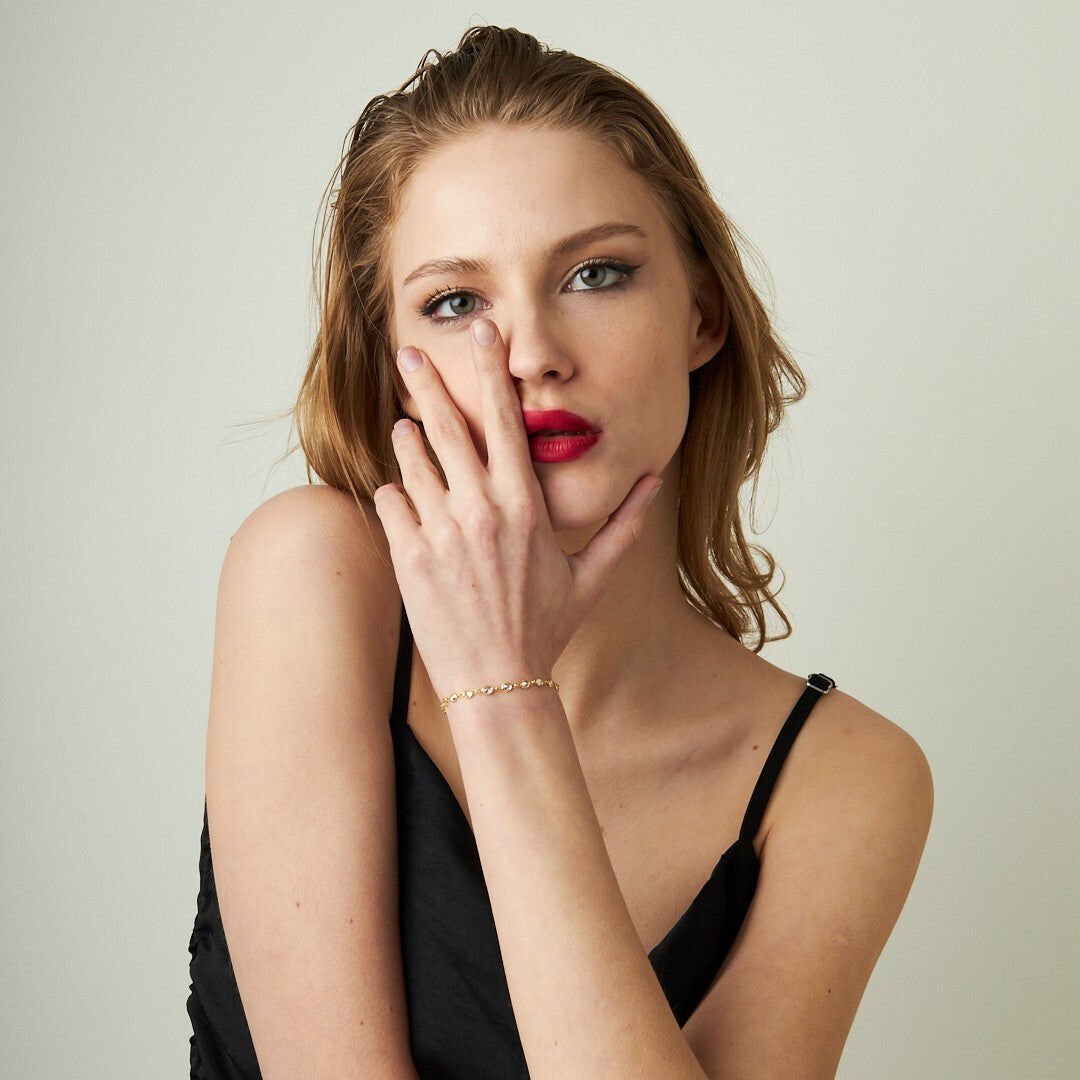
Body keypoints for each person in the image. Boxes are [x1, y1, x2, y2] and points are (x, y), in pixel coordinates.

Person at [186, 24, 934, 1080]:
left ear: (703, 316)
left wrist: (504, 692)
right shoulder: (314, 576)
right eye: (456, 302)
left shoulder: (843, 776)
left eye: (595, 274)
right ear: (394, 365)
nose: (532, 354)